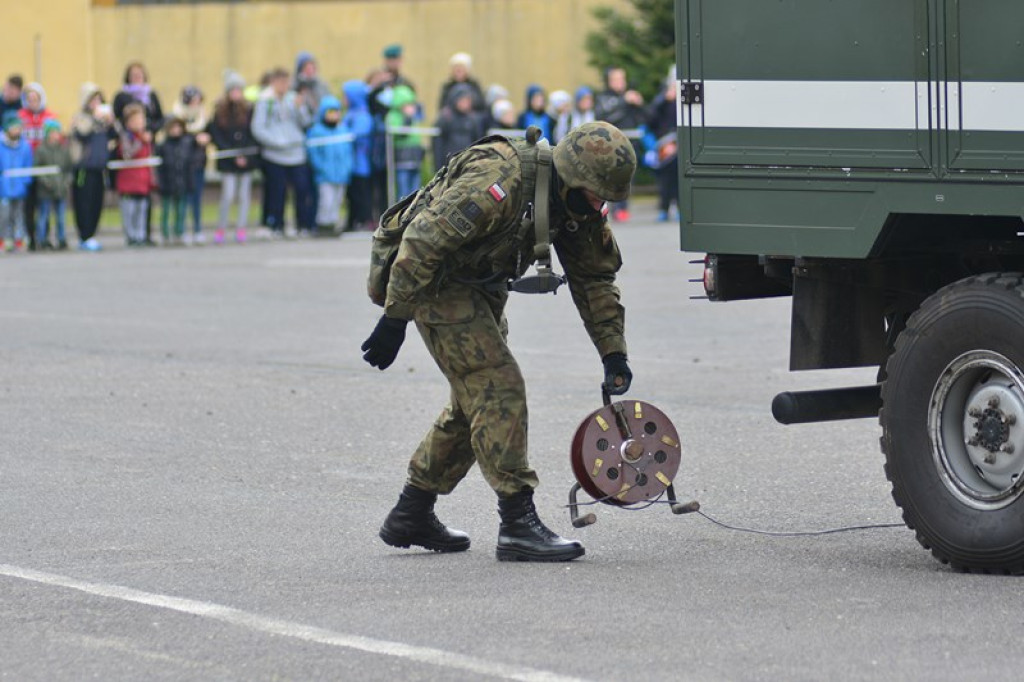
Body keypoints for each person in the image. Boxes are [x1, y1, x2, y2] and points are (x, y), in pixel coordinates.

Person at [362, 121, 637, 562]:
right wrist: (394, 318)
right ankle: (517, 522)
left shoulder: (576, 203)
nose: (598, 206)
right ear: (571, 178)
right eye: (594, 196)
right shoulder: (502, 178)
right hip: (433, 281)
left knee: (476, 401)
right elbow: (423, 241)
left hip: (481, 285)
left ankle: (411, 512)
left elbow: (595, 278)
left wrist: (613, 352)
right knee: (498, 388)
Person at [250, 67, 314, 238]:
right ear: (273, 82)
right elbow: (258, 127)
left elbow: (306, 122)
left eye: (286, 82)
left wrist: (301, 108)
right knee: (277, 193)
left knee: (301, 190)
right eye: (280, 82)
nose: (284, 86)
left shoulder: (293, 99)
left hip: (296, 154)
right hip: (274, 155)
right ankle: (276, 224)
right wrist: (276, 142)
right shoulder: (265, 101)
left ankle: (302, 225)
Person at [207, 70, 257, 244]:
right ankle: (221, 228)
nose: (236, 93)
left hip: (246, 160)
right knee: (227, 196)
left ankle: (241, 229)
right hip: (228, 162)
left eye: (238, 89)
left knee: (244, 196)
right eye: (232, 89)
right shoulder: (219, 111)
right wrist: (232, 155)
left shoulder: (250, 110)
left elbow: (252, 134)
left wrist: (244, 155)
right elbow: (216, 135)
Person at [595, 67, 645, 222]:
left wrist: (639, 103)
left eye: (622, 79)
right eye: (616, 79)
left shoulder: (630, 96)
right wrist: (624, 101)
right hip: (612, 144)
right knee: (612, 175)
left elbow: (647, 117)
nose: (620, 82)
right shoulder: (604, 98)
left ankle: (623, 207)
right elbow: (604, 114)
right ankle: (612, 206)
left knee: (628, 175)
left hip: (631, 143)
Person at [70, 83, 114, 252]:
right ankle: (85, 235)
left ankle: (92, 234)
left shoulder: (104, 121)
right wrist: (95, 118)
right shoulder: (80, 117)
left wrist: (110, 123)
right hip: (84, 168)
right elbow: (82, 133)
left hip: (99, 168)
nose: (97, 103)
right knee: (84, 203)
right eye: (93, 99)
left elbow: (114, 136)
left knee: (97, 202)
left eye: (99, 99)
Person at [18, 82, 57, 251]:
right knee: (28, 206)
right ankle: (31, 238)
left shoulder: (49, 117)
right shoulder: (20, 117)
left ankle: (44, 237)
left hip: (44, 166)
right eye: (29, 99)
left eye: (36, 98)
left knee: (45, 204)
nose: (32, 102)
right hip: (26, 166)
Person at [306, 95, 353, 235]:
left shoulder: (343, 130)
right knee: (326, 200)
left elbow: (348, 152)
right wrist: (321, 168)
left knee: (337, 200)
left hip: (342, 173)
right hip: (325, 174)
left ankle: (333, 223)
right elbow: (314, 153)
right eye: (330, 112)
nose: (334, 116)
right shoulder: (317, 131)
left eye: (336, 112)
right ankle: (323, 224)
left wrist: (347, 168)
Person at [173, 86, 211, 243]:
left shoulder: (203, 118)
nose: (196, 104)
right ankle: (180, 230)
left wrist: (206, 139)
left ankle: (197, 229)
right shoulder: (177, 117)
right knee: (182, 199)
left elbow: (211, 134)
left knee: (196, 199)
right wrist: (194, 138)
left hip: (198, 164)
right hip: (181, 166)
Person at [115, 103, 155, 247]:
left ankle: (141, 235)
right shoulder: (127, 137)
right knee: (129, 212)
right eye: (136, 120)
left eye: (141, 120)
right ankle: (130, 236)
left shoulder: (147, 138)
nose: (140, 123)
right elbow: (127, 154)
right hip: (128, 183)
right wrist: (139, 141)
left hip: (143, 182)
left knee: (142, 211)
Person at [156, 117, 197, 245]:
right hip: (167, 183)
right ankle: (165, 234)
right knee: (166, 209)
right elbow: (160, 168)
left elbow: (190, 165)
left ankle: (179, 232)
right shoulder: (163, 146)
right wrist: (160, 183)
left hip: (182, 182)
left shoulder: (186, 144)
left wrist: (190, 182)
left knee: (181, 210)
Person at [645, 71, 680, 222]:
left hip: (678, 144)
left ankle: (680, 208)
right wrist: (665, 99)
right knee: (665, 180)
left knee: (679, 179)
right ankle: (663, 209)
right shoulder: (662, 99)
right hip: (664, 145)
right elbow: (651, 118)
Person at [33, 120, 72, 250]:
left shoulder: (64, 150)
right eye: (53, 132)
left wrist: (66, 182)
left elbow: (68, 169)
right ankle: (42, 239)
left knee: (61, 217)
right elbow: (37, 169)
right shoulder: (41, 150)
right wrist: (47, 182)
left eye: (57, 132)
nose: (56, 135)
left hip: (61, 188)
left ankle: (61, 239)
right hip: (46, 190)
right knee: (43, 216)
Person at [342, 79, 374, 232]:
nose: (344, 100)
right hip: (351, 163)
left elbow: (357, 135)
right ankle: (352, 221)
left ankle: (363, 220)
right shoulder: (351, 114)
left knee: (360, 194)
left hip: (361, 164)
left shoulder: (362, 115)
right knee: (351, 195)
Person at [0, 113, 33, 253]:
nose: (17, 130)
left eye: (19, 127)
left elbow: (28, 166)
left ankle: (19, 238)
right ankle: (4, 239)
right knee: (4, 215)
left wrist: (25, 182)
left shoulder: (25, 147)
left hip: (19, 188)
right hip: (4, 188)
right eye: (14, 127)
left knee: (19, 214)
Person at [433, 84, 485, 171]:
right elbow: (437, 144)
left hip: (468, 163)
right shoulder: (445, 118)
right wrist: (438, 165)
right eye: (463, 100)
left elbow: (478, 141)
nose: (466, 104)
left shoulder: (473, 119)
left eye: (468, 101)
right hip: (449, 163)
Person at [385, 84, 424, 200]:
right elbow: (400, 134)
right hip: (402, 159)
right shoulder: (393, 116)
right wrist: (407, 118)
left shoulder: (414, 117)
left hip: (415, 158)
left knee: (416, 191)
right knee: (403, 191)